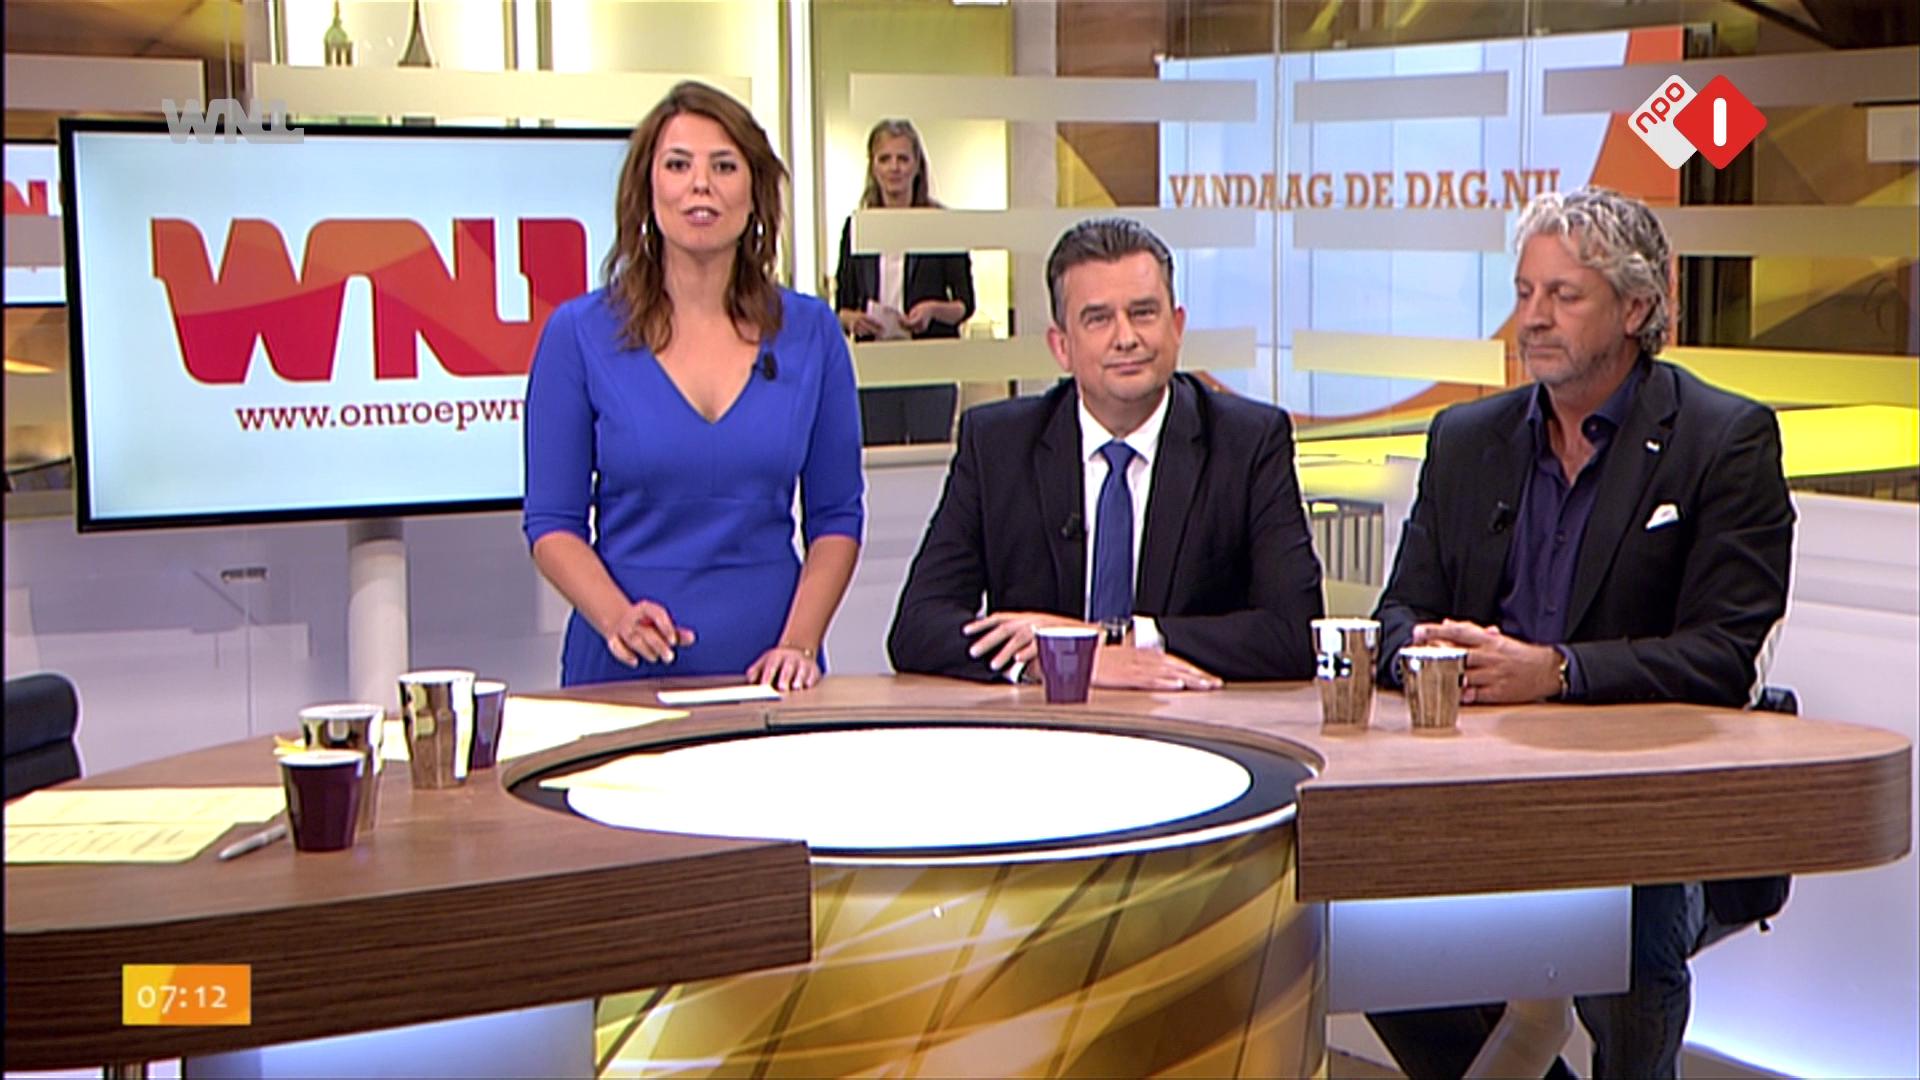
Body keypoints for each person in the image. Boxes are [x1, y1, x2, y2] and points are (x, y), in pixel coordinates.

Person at [1366, 187, 1795, 1079]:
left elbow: (1722, 656)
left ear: (1636, 308)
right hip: (1476, 793)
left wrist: (1557, 672)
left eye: (1564, 295)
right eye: (1525, 293)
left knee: (1628, 924)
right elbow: (1396, 617)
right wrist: (1434, 657)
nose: (1534, 318)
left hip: (1641, 809)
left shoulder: (1721, 440)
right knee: (1363, 921)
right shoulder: (1466, 439)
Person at [523, 81, 864, 690]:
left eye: (724, 166)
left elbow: (836, 516)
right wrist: (616, 616)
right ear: (647, 188)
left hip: (771, 669)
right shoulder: (578, 334)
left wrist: (799, 643)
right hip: (623, 672)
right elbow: (552, 523)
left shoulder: (812, 333)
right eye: (678, 165)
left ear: (755, 192)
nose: (700, 184)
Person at [887, 216, 1324, 689]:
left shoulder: (1248, 443)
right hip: (1042, 727)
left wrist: (1120, 641)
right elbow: (918, 626)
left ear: (1177, 327)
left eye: (1144, 313)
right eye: (1098, 319)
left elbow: (1295, 633)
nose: (1126, 337)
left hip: (1190, 724)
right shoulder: (998, 446)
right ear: (1061, 346)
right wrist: (1049, 659)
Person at [833, 118, 975, 445]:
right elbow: (842, 307)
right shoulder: (858, 227)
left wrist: (932, 310)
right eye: (885, 159)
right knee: (882, 458)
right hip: (877, 367)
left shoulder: (941, 225)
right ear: (873, 167)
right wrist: (853, 319)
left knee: (929, 454)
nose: (894, 168)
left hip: (929, 364)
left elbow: (965, 304)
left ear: (916, 165)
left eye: (902, 158)